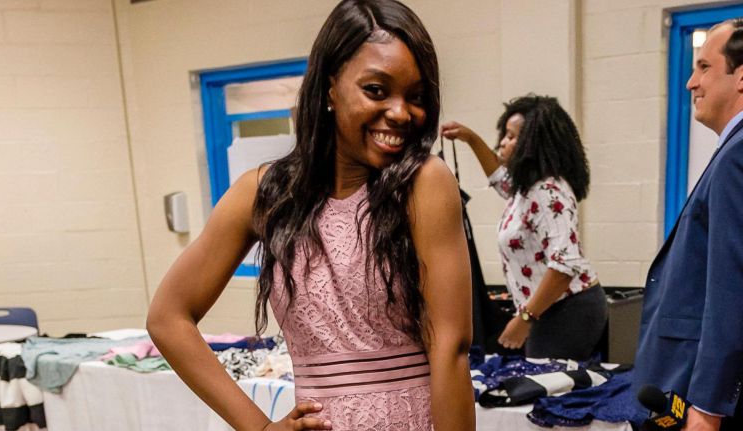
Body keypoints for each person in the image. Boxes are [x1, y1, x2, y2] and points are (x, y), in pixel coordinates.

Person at [147, 1, 476, 430]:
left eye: (415, 96)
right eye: (377, 90)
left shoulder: (424, 183)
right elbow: (168, 318)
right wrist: (260, 427)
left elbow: (450, 348)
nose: (400, 112)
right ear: (329, 89)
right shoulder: (265, 192)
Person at [633, 18, 743, 431]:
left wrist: (707, 406)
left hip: (705, 398)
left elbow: (732, 289)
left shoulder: (737, 155)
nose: (690, 83)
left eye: (704, 68)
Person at [441, 95, 607, 361]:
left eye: (511, 136)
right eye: (504, 135)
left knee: (546, 387)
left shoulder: (548, 192)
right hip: (549, 307)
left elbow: (565, 265)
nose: (503, 143)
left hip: (566, 309)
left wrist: (524, 319)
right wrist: (469, 138)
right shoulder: (527, 189)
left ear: (534, 144)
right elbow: (499, 178)